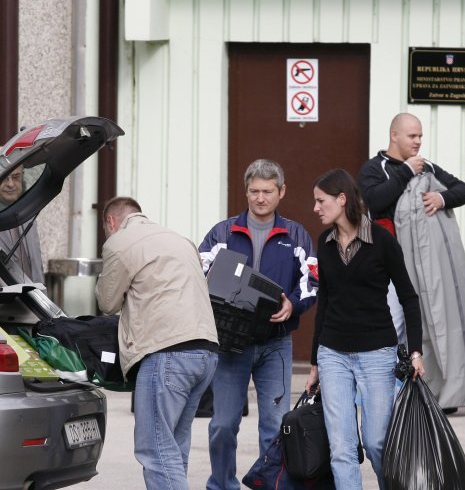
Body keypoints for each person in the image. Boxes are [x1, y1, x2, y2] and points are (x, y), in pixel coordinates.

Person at [199, 159, 318, 490]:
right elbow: (199, 274)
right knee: (222, 425)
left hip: (276, 345)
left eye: (268, 191)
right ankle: (222, 485)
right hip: (230, 346)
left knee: (276, 425)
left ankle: (274, 485)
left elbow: (312, 280)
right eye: (254, 191)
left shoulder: (296, 235)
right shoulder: (222, 233)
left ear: (281, 192)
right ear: (246, 191)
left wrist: (294, 303)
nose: (260, 198)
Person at [305, 168, 424, 490]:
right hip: (333, 355)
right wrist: (316, 361)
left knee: (377, 443)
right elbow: (325, 302)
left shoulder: (382, 241)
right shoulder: (325, 242)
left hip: (377, 354)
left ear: (341, 200)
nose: (315, 208)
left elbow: (410, 299)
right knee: (341, 449)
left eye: (321, 201)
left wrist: (415, 351)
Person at [357, 112, 465, 412]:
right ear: (394, 136)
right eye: (412, 136)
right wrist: (405, 173)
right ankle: (378, 391)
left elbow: (463, 190)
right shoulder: (375, 169)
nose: (418, 142)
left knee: (425, 325)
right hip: (384, 265)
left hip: (420, 266)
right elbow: (375, 201)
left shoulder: (425, 167)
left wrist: (442, 199)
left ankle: (427, 390)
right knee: (391, 327)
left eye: (420, 136)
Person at [95, 197, 219, 490]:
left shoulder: (120, 241)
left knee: (155, 449)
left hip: (167, 353)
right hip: (207, 352)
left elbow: (107, 302)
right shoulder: (179, 239)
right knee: (174, 446)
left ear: (111, 222)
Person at [0, 165, 45, 284]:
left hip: (33, 298)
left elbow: (36, 267)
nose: (10, 184)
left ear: (23, 176)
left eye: (15, 177)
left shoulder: (28, 214)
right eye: (4, 177)